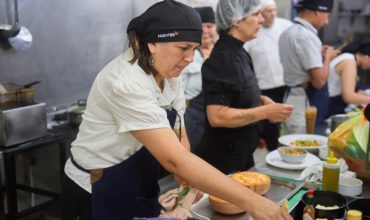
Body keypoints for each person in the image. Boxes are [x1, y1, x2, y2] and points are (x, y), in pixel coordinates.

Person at [63, 1, 293, 219]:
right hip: (97, 186)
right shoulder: (125, 82)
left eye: (194, 48)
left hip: (136, 179)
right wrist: (253, 202)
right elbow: (174, 160)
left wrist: (186, 188)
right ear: (152, 43)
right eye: (183, 47)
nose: (190, 58)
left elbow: (179, 135)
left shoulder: (169, 74)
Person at [194, 0, 294, 175]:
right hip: (223, 161)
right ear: (237, 20)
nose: (262, 20)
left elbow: (238, 92)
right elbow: (217, 116)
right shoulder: (223, 59)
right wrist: (265, 111)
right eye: (256, 14)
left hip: (242, 154)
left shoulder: (240, 51)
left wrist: (261, 99)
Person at [279, 0, 339, 134]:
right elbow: (319, 82)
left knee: (294, 144)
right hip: (304, 101)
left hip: (292, 96)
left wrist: (318, 53)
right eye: (327, 16)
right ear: (318, 12)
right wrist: (328, 56)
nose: (327, 22)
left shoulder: (288, 32)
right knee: (303, 148)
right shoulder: (307, 37)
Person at [244, 0, 292, 151]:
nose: (272, 15)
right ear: (260, 14)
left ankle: (290, 149)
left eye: (274, 10)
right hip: (264, 86)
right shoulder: (252, 33)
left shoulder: (286, 26)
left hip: (287, 83)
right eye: (268, 11)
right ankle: (274, 151)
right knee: (271, 125)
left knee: (290, 121)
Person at [182, 6, 217, 150]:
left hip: (220, 115)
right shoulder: (185, 55)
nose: (205, 32)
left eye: (209, 26)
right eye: (200, 27)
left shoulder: (223, 50)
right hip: (193, 116)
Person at [327, 38, 370, 117]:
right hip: (330, 107)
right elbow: (348, 97)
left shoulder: (347, 57)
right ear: (366, 56)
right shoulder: (349, 62)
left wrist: (359, 94)